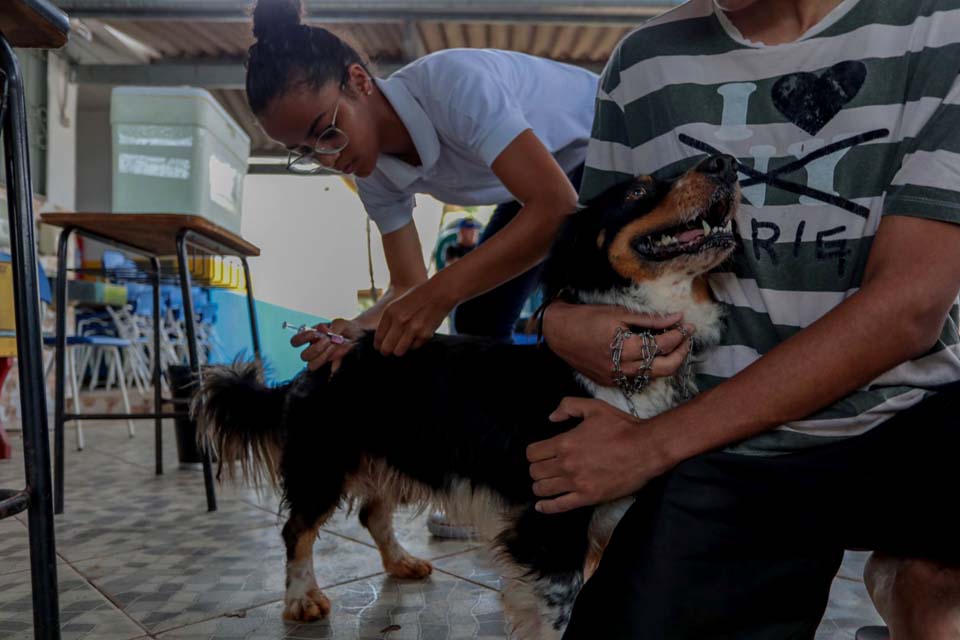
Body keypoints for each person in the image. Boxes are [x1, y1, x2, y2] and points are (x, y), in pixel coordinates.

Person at [523, 0, 960, 638]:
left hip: (916, 419)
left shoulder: (940, 27)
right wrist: (556, 320)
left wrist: (647, 447)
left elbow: (909, 307)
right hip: (729, 442)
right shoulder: (643, 62)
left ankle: (916, 584)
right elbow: (595, 253)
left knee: (937, 593)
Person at [245, 0, 695, 539]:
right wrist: (355, 330)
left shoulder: (452, 86)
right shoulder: (373, 174)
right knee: (481, 318)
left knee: (576, 307)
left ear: (359, 81)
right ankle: (506, 478)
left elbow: (554, 207)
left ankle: (630, 465)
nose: (325, 156)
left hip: (602, 152)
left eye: (326, 132)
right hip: (539, 188)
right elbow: (408, 286)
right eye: (303, 151)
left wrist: (436, 297)